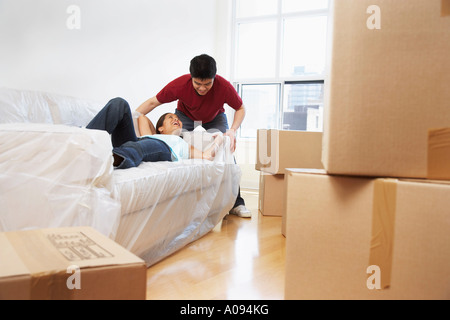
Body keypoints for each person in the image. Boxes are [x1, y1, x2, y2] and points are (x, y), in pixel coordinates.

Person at [135, 54, 251, 218]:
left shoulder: (223, 87)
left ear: (214, 78)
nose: (202, 88)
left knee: (226, 149)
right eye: (198, 83)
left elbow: (241, 108)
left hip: (215, 117)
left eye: (207, 84)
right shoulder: (180, 84)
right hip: (186, 116)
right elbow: (153, 102)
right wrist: (131, 117)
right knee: (176, 146)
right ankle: (185, 199)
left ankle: (236, 203)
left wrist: (232, 130)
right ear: (191, 78)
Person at [86, 98, 222, 169]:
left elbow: (207, 156)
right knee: (119, 103)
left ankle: (110, 157)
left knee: (140, 147)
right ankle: (84, 141)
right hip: (136, 141)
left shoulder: (182, 144)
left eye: (178, 119)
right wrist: (156, 132)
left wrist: (219, 139)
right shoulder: (150, 134)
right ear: (161, 128)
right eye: (170, 118)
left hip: (163, 149)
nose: (176, 119)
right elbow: (141, 117)